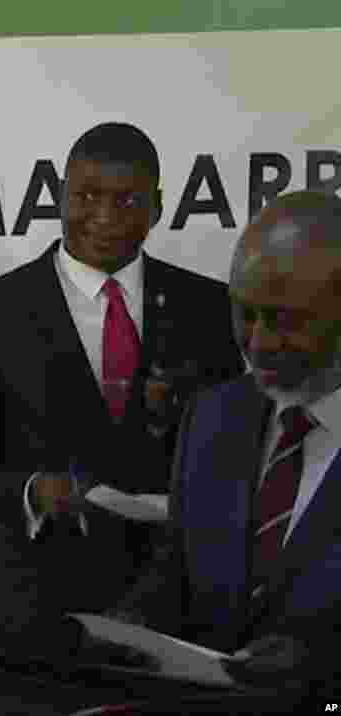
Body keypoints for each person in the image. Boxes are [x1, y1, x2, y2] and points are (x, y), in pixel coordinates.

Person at [0, 123, 245, 651]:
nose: (105, 216)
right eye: (87, 196)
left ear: (157, 207)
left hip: (182, 609)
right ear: (60, 195)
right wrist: (32, 494)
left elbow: (237, 453)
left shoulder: (210, 308)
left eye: (128, 200)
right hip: (38, 612)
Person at [106, 189, 341, 704]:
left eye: (286, 320)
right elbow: (180, 568)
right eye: (244, 313)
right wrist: (132, 625)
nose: (256, 342)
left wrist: (322, 668)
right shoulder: (214, 415)